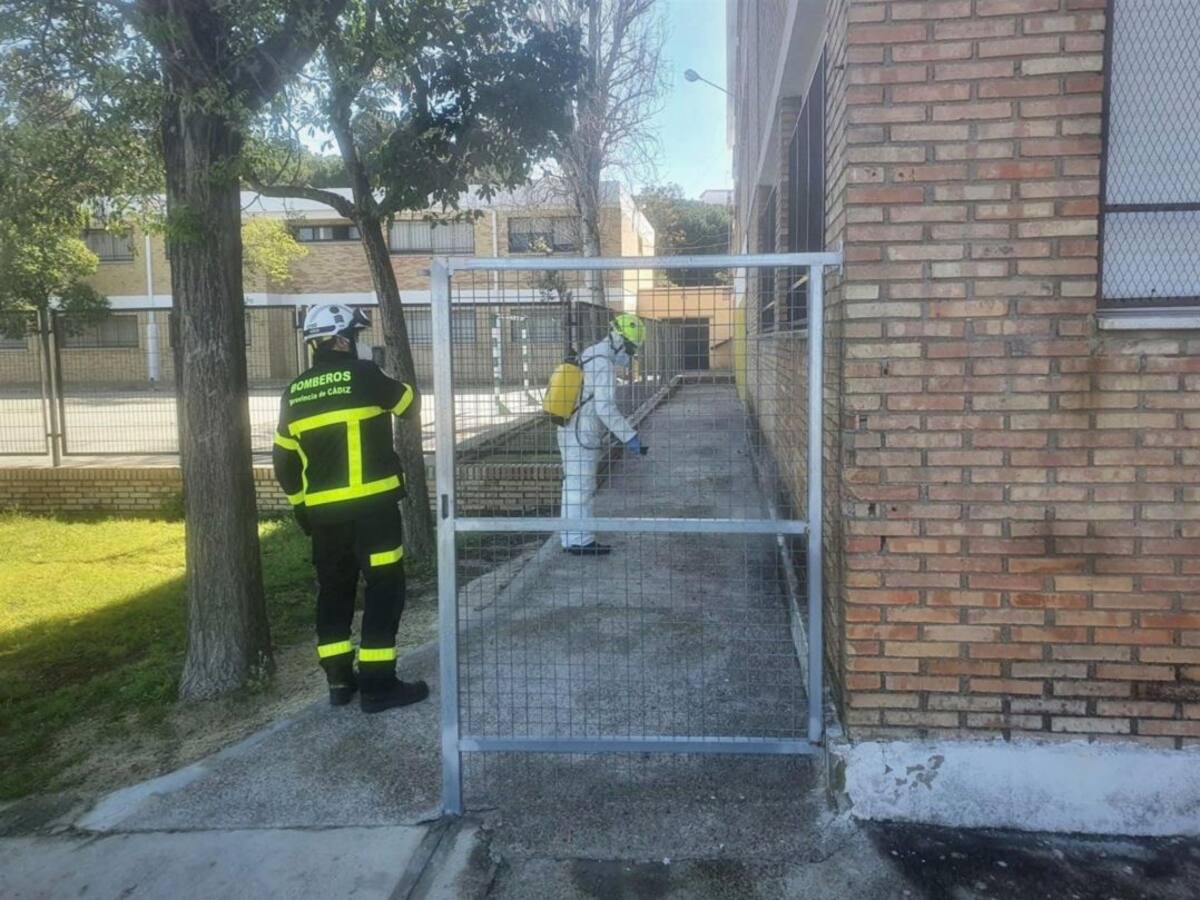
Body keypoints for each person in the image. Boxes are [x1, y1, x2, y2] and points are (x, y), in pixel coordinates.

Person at [272, 304, 429, 713]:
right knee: (384, 589)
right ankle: (378, 686)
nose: (358, 343)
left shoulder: (294, 392)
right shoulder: (364, 375)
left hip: (324, 519)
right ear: (342, 340)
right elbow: (409, 405)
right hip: (374, 512)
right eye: (356, 336)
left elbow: (284, 462)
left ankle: (340, 683)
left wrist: (301, 507)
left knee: (334, 591)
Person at [557, 313, 648, 556]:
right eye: (630, 348)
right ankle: (580, 540)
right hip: (582, 431)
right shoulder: (603, 363)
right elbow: (604, 407)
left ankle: (570, 537)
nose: (630, 355)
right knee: (582, 487)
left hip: (570, 425)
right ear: (619, 340)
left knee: (572, 484)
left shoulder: (591, 353)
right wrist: (629, 436)